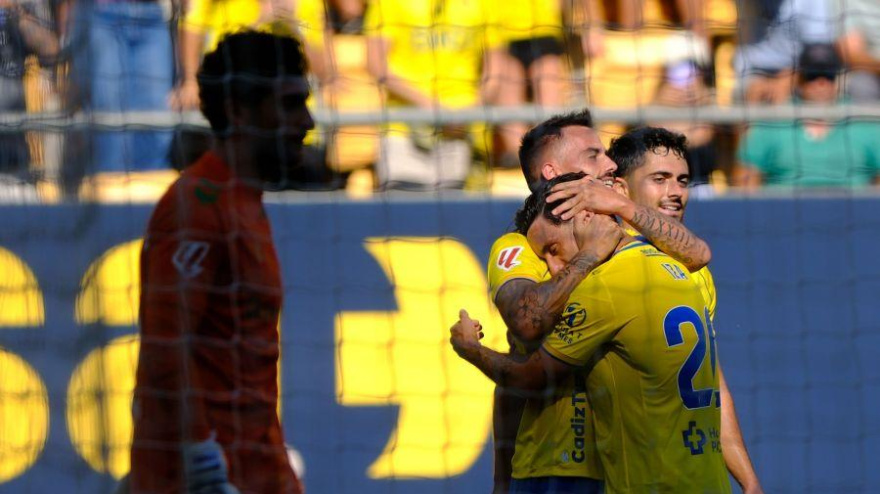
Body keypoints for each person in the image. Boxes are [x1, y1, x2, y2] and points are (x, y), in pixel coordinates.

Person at [454, 173, 731, 493]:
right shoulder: (676, 266)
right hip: (708, 479)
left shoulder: (604, 288)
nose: (553, 267)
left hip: (651, 484)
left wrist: (472, 350)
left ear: (586, 217)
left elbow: (527, 378)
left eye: (553, 249)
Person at [130, 31, 312, 494]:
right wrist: (201, 462)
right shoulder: (196, 206)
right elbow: (165, 351)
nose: (307, 121)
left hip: (252, 469)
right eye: (289, 105)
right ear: (239, 111)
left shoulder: (242, 202)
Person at [607, 126, 763, 493]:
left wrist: (749, 481)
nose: (675, 192)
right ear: (619, 189)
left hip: (702, 481)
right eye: (659, 179)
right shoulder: (605, 270)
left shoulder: (697, 273)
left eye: (682, 181)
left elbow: (714, 386)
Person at [364, 0, 497, 190]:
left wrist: (470, 112)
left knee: (456, 214)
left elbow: (497, 70)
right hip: (403, 130)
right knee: (404, 213)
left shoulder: (482, 5)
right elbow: (376, 64)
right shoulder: (389, 4)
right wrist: (429, 106)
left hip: (458, 132)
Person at [735, 43, 880, 188]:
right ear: (799, 79)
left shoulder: (861, 119)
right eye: (812, 76)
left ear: (838, 77)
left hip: (853, 209)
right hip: (784, 208)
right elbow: (746, 176)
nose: (821, 83)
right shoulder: (775, 119)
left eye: (829, 75)